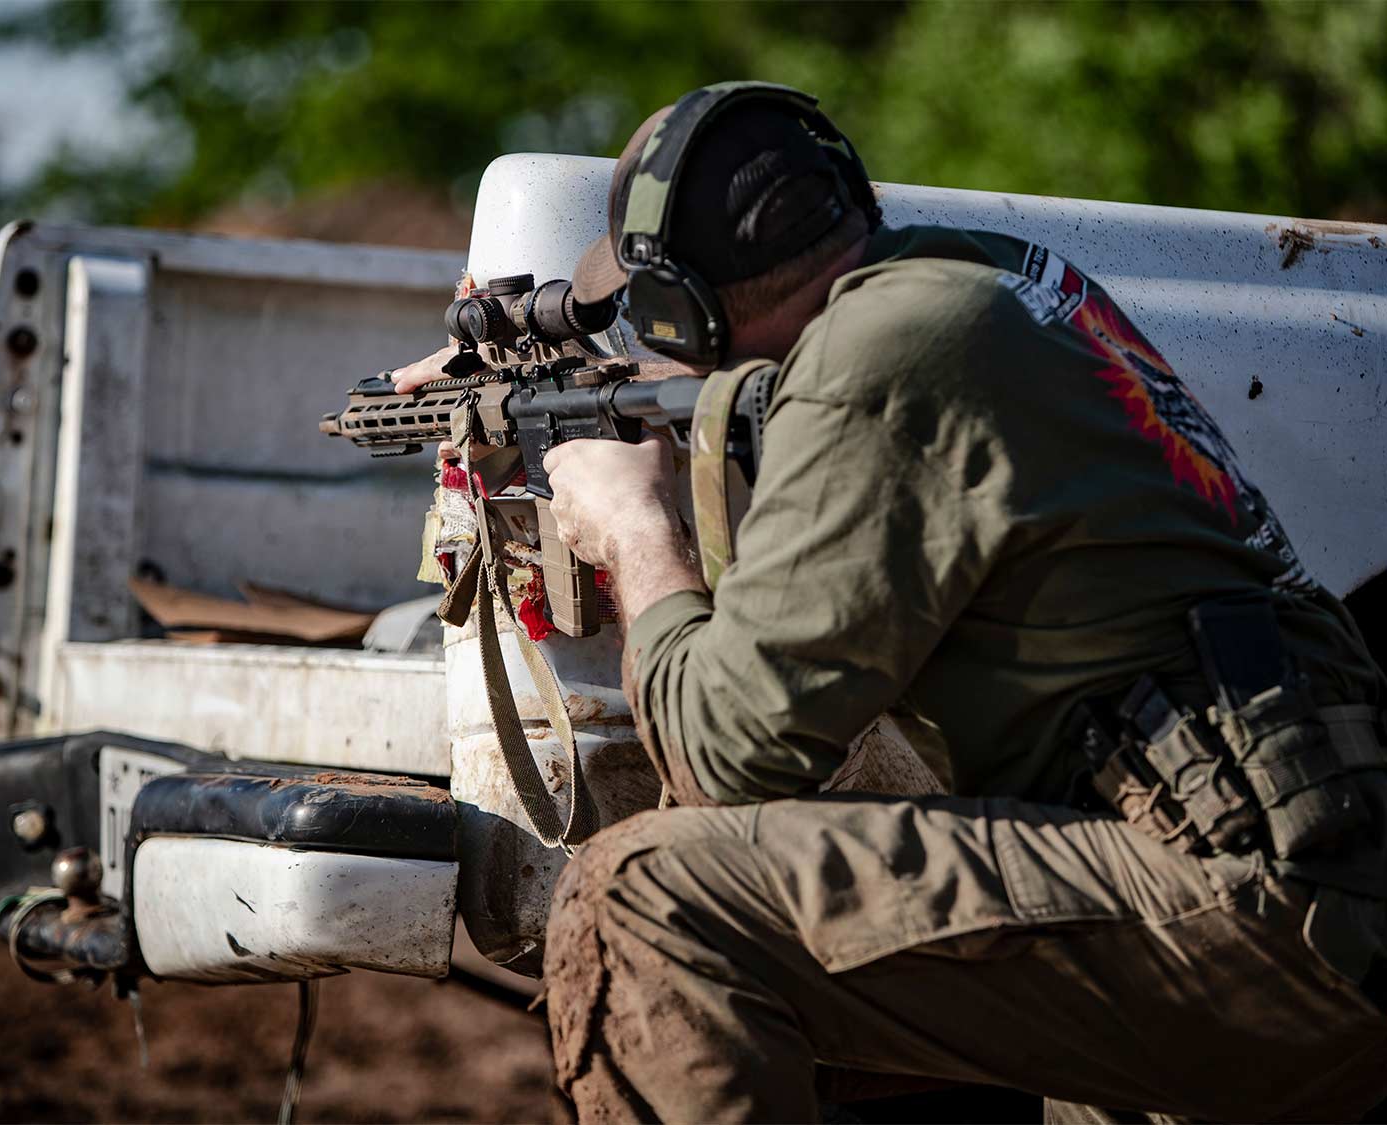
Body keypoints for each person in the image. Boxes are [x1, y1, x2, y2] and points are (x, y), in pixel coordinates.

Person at [397, 83, 1387, 1122]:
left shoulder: (886, 352)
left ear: (676, 305)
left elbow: (726, 752)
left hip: (1263, 907)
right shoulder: (986, 288)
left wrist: (636, 529)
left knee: (648, 900)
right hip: (1296, 874)